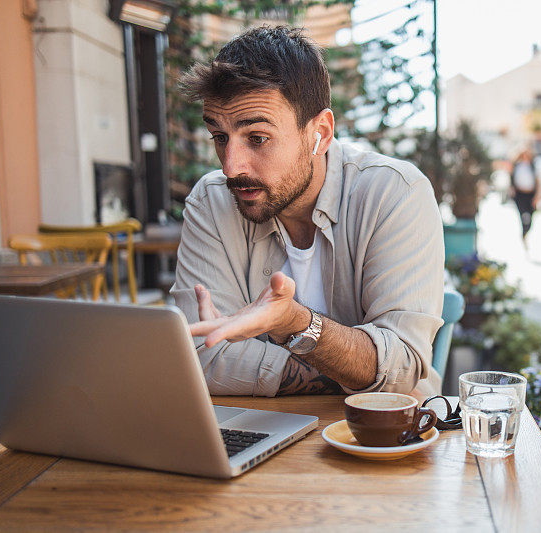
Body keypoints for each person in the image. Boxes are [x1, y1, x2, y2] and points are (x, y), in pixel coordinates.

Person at [170, 26, 444, 397]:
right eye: (220, 137)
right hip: (266, 431)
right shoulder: (211, 202)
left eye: (258, 138)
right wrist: (351, 367)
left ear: (320, 132)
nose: (231, 167)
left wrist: (293, 324)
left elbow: (402, 367)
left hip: (385, 443)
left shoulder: (394, 192)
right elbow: (198, 355)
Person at [510, 149, 539, 241]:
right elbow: (511, 178)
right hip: (520, 194)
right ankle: (523, 232)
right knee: (522, 214)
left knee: (530, 214)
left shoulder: (533, 167)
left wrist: (537, 196)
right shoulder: (516, 166)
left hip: (530, 194)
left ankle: (526, 231)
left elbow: (538, 181)